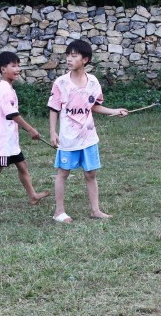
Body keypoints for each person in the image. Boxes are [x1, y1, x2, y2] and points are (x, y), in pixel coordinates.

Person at [48, 39, 128, 223]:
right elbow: (53, 108)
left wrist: (115, 111)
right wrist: (53, 132)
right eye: (68, 55)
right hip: (68, 139)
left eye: (74, 56)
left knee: (91, 174)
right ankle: (59, 212)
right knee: (63, 173)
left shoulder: (93, 82)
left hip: (89, 138)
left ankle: (95, 210)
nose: (69, 59)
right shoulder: (61, 83)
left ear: (85, 59)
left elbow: (94, 106)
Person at [0, 51, 50, 214]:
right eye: (13, 66)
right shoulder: (5, 90)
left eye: (18, 65)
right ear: (3, 69)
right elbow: (12, 114)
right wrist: (30, 129)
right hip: (4, 142)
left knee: (22, 166)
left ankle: (33, 196)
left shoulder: (4, 88)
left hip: (11, 140)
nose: (18, 69)